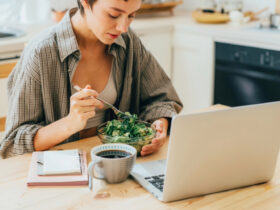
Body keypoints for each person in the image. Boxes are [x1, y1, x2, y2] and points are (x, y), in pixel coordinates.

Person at [0, 0, 182, 159]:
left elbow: (161, 99)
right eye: (113, 15)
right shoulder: (41, 53)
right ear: (85, 1)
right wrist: (69, 124)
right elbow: (11, 145)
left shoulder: (128, 42)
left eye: (131, 16)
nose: (123, 27)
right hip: (61, 179)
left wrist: (159, 125)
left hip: (120, 169)